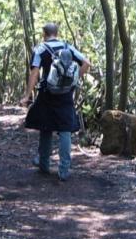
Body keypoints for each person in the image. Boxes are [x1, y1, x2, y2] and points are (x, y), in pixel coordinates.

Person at [19, 23, 91, 181]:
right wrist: (73, 80)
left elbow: (34, 72)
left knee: (46, 127)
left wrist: (26, 96)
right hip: (66, 95)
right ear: (57, 33)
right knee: (65, 130)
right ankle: (64, 170)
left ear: (44, 33)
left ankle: (44, 165)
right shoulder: (68, 47)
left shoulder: (40, 49)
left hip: (47, 94)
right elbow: (86, 63)